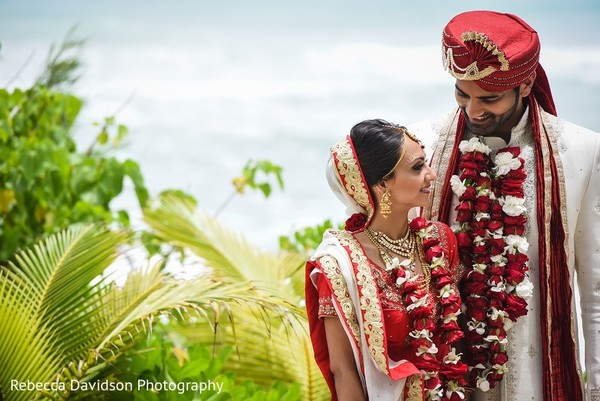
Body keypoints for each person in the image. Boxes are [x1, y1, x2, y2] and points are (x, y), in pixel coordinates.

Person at [407, 10, 600, 401]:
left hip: (536, 373)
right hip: (448, 367)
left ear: (526, 83)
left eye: (489, 98)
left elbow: (594, 284)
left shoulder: (580, 151)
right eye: (462, 93)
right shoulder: (422, 144)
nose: (473, 110)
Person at [305, 119, 469, 401]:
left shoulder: (441, 242)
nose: (432, 174)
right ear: (382, 185)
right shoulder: (339, 266)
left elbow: (458, 339)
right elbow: (343, 371)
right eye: (418, 167)